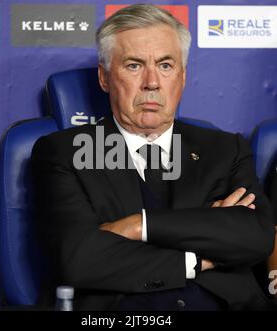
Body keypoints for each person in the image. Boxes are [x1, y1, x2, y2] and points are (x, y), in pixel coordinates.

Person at [31, 4, 275, 311]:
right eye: (134, 65)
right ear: (105, 78)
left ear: (183, 76)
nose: (152, 82)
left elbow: (255, 238)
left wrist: (139, 226)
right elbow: (80, 259)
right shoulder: (64, 152)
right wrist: (197, 255)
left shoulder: (225, 150)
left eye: (165, 65)